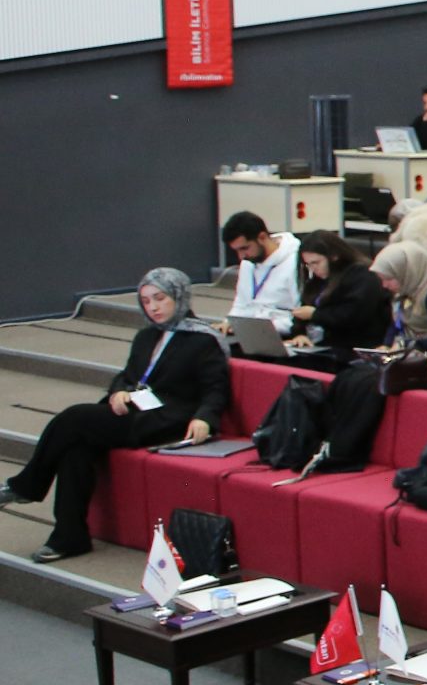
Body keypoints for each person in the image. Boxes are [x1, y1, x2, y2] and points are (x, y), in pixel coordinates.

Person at [1, 269, 226, 562]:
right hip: (135, 411)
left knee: (74, 418)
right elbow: (127, 376)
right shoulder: (146, 336)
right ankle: (69, 537)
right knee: (75, 448)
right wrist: (118, 392)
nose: (153, 307)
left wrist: (205, 417)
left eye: (160, 298)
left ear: (180, 296)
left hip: (170, 419)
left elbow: (215, 387)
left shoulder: (203, 340)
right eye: (146, 301)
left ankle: (26, 486)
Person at [285, 230, 390, 361]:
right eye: (308, 264)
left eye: (316, 263)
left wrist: (315, 315)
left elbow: (353, 315)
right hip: (327, 344)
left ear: (334, 257)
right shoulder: (318, 281)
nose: (312, 269)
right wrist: (299, 334)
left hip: (357, 346)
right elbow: (303, 309)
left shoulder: (362, 276)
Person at [373, 241, 427, 356]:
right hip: (405, 355)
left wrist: (407, 344)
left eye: (389, 278)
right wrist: (387, 345)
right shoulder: (405, 290)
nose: (384, 285)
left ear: (407, 273)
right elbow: (397, 324)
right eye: (381, 279)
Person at [222, 211, 301, 320]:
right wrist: (229, 323)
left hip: (282, 327)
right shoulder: (248, 262)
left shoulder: (294, 262)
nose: (241, 256)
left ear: (262, 238)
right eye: (237, 251)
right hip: (252, 326)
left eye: (245, 248)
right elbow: (241, 304)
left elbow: (301, 311)